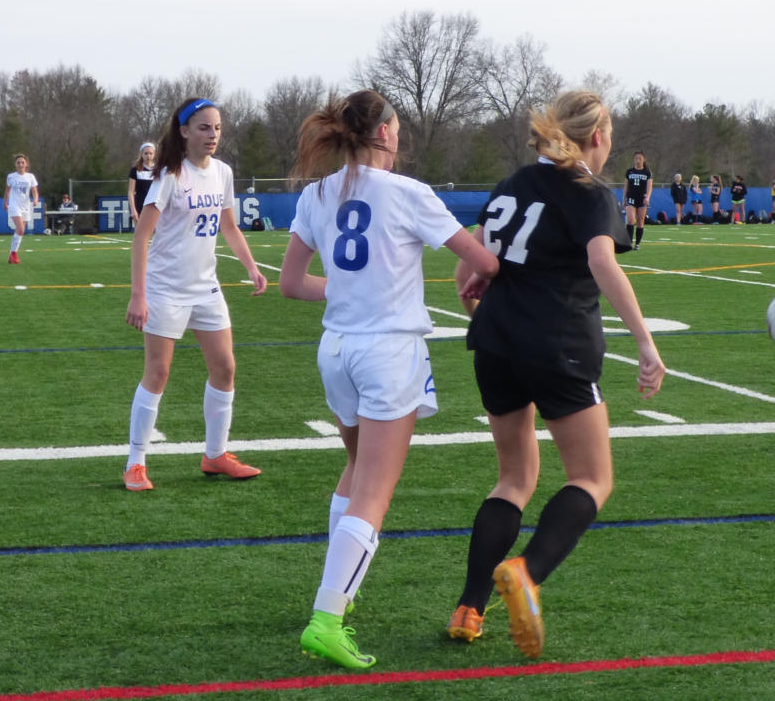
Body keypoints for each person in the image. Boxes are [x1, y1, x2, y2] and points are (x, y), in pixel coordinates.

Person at [279, 90, 499, 669]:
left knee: (354, 470)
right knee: (374, 491)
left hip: (336, 350)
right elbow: (485, 263)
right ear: (381, 133)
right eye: (396, 126)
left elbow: (292, 284)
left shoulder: (316, 193)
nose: (400, 135)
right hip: (388, 352)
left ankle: (335, 595)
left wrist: (350, 289)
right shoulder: (408, 193)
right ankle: (327, 617)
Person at [448, 90, 667, 658]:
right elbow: (601, 260)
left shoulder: (512, 185)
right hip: (559, 343)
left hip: (495, 343)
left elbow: (463, 271)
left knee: (513, 478)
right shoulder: (589, 191)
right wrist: (645, 343)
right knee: (592, 478)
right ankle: (528, 572)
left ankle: (469, 608)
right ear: (598, 136)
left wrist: (490, 322)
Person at [123, 98, 267, 490]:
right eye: (204, 128)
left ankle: (216, 455)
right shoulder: (169, 175)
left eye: (217, 128)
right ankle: (135, 462)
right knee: (158, 373)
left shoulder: (222, 172)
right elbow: (142, 236)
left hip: (206, 288)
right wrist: (139, 295)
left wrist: (252, 268)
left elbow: (230, 227)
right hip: (166, 290)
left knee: (225, 369)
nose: (213, 135)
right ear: (184, 131)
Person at [4, 154, 39, 263]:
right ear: (15, 164)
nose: (20, 164)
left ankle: (12, 255)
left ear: (26, 164)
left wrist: (35, 199)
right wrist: (5, 202)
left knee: (20, 232)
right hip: (14, 205)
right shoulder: (11, 176)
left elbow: (34, 191)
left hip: (26, 206)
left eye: (22, 162)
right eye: (18, 162)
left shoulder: (30, 176)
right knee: (21, 229)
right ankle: (14, 254)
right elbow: (7, 191)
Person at [622, 151, 653, 250]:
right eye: (636, 158)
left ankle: (637, 243)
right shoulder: (629, 171)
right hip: (631, 197)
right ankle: (629, 242)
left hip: (642, 199)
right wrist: (624, 198)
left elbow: (649, 186)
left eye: (640, 158)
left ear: (644, 160)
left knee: (640, 221)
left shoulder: (647, 172)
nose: (638, 160)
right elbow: (626, 186)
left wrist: (647, 197)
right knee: (631, 219)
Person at [127, 142, 157, 232]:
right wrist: (133, 210)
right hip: (140, 205)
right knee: (140, 234)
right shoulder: (135, 170)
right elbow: (131, 192)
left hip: (155, 205)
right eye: (146, 153)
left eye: (151, 153)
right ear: (141, 154)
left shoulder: (159, 169)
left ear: (154, 154)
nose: (148, 156)